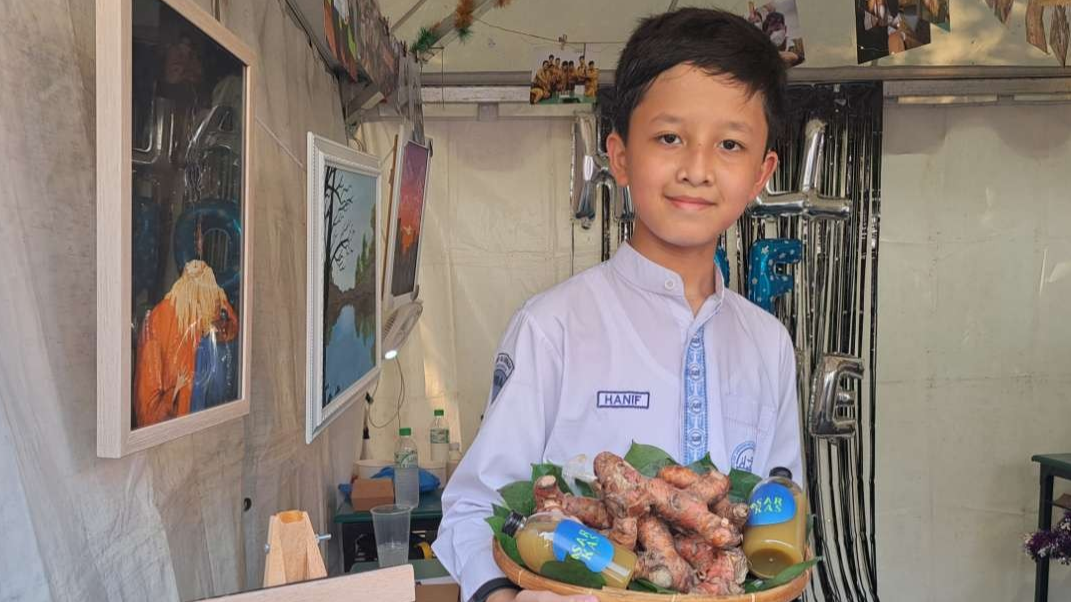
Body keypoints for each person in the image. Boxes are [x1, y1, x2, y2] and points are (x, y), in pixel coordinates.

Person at [432, 8, 800, 602]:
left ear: (761, 175)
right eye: (669, 137)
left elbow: (781, 506)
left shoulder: (768, 343)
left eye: (729, 144)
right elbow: (476, 507)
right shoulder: (552, 327)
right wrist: (504, 596)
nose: (697, 169)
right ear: (621, 155)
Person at [133, 259, 239, 427]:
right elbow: (148, 409)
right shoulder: (158, 321)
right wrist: (173, 396)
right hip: (176, 427)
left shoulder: (213, 313)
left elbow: (232, 328)